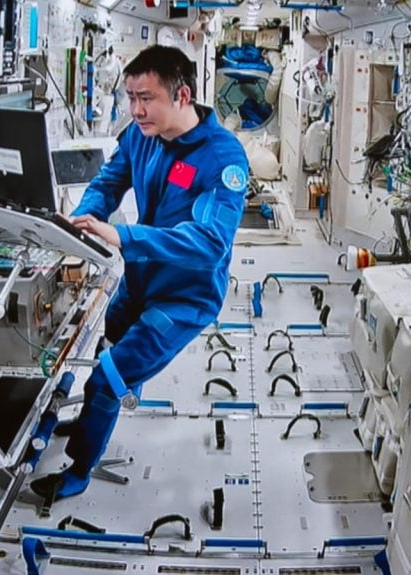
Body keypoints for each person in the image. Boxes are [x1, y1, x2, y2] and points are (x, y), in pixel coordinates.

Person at [30, 45, 249, 500]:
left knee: (110, 373)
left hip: (183, 299)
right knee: (109, 344)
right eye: (130, 97)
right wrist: (83, 226)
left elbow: (210, 245)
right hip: (140, 279)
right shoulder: (141, 135)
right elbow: (109, 181)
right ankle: (97, 410)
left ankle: (77, 473)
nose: (135, 109)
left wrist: (123, 237)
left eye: (145, 98)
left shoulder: (223, 159)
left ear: (182, 95)